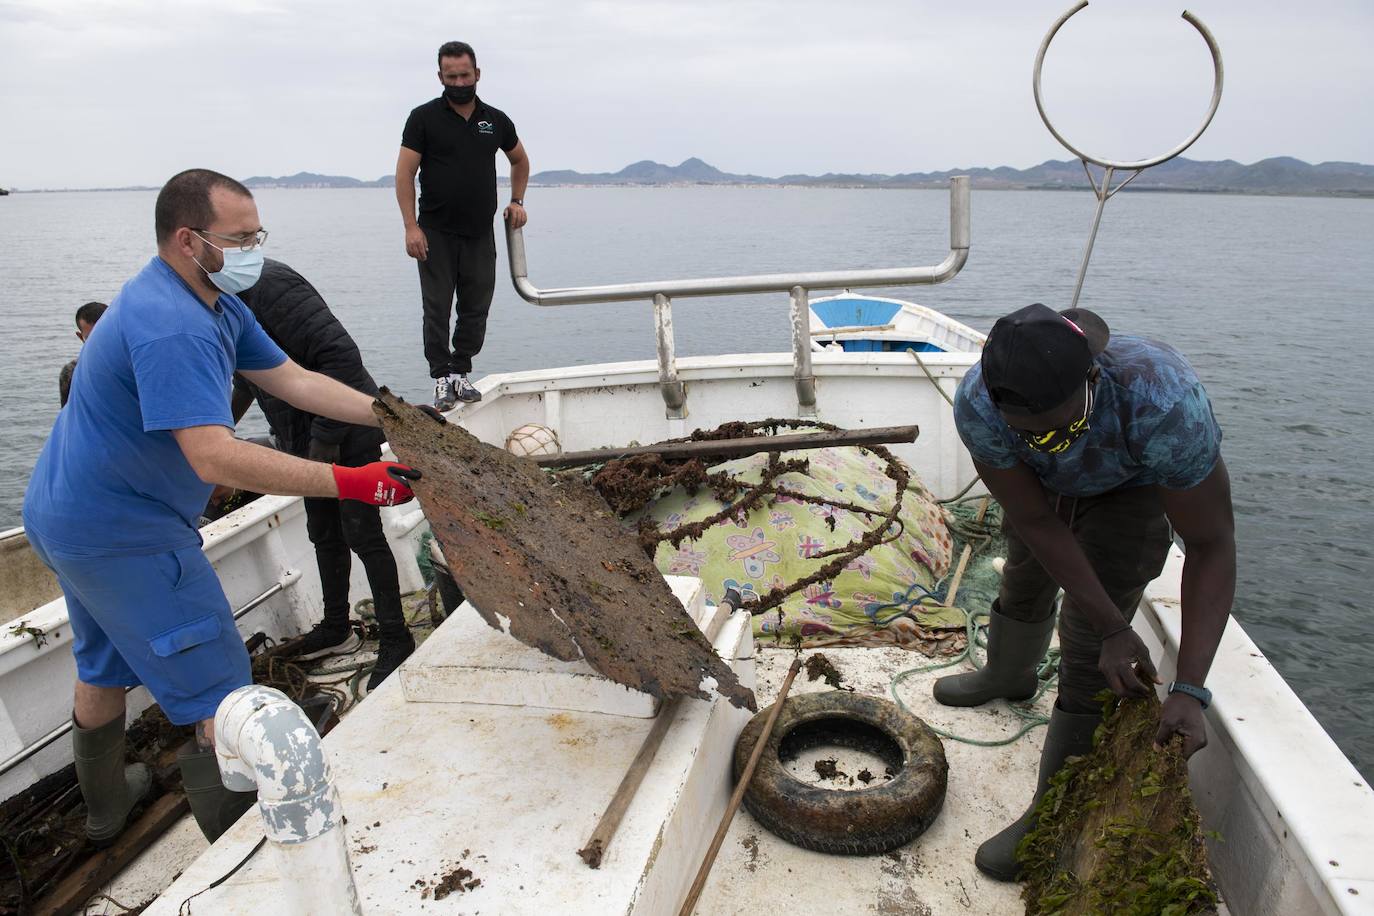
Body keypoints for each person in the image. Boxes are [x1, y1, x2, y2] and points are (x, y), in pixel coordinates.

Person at [22, 169, 438, 845]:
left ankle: (106, 808)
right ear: (189, 239)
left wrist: (391, 412)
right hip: (128, 534)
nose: (254, 248)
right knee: (225, 698)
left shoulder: (208, 299)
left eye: (258, 233)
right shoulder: (172, 328)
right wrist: (353, 480)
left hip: (63, 515)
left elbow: (295, 380)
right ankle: (252, 853)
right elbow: (213, 457)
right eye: (240, 237)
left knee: (100, 665)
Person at [938, 303, 1235, 881]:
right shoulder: (979, 405)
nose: (1049, 440)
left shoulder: (1164, 405)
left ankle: (1053, 812)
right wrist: (1113, 626)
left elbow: (1212, 544)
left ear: (1092, 379)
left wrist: (1189, 687)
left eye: (1064, 426)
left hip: (1130, 484)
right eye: (1030, 432)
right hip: (1040, 492)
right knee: (1022, 576)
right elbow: (1036, 521)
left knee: (1085, 645)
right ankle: (1009, 675)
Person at [232, 259, 414, 689]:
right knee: (323, 534)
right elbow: (249, 376)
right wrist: (220, 423)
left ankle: (396, 635)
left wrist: (326, 440)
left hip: (345, 426)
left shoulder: (271, 286)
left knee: (362, 533)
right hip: (299, 434)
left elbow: (342, 357)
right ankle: (336, 627)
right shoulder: (222, 301)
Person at [396, 39, 530, 410]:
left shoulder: (495, 120)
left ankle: (460, 371)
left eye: (464, 75)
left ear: (477, 74)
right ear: (440, 76)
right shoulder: (423, 118)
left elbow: (520, 161)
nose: (458, 82)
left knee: (475, 307)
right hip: (434, 232)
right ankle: (441, 377)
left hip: (479, 233)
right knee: (437, 307)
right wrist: (411, 226)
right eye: (451, 76)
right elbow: (405, 174)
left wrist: (516, 202)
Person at [58, 301, 108, 407]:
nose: (99, 343)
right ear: (80, 337)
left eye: (104, 335)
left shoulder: (137, 366)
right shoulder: (71, 372)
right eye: (91, 338)